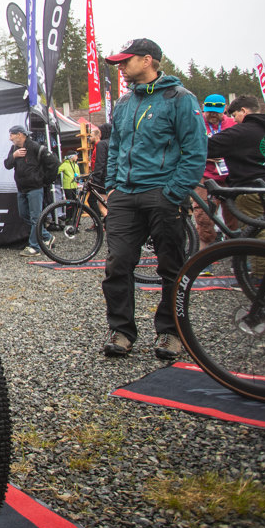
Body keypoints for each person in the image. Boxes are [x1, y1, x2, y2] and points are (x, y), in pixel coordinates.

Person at [100, 39, 206, 360]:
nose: (121, 67)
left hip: (162, 194)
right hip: (124, 195)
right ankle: (121, 330)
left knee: (171, 266)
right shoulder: (124, 102)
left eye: (126, 61)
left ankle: (171, 332)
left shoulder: (180, 99)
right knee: (117, 263)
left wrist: (173, 193)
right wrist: (112, 187)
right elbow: (115, 147)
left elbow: (195, 152)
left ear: (147, 60)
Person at [206, 95, 265, 275]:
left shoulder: (240, 132)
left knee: (258, 234)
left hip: (252, 189)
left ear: (244, 111)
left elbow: (206, 147)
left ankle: (263, 279)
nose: (234, 120)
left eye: (235, 115)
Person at [192, 94, 238, 248]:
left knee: (234, 216)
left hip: (229, 177)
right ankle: (206, 254)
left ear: (224, 109)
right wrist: (206, 157)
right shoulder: (196, 123)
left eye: (216, 112)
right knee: (203, 217)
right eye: (209, 112)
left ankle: (236, 251)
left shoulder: (232, 124)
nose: (212, 115)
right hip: (204, 176)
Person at [4, 126, 55, 256]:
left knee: (35, 218)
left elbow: (54, 164)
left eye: (11, 135)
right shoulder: (14, 149)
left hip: (35, 189)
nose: (10, 138)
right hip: (22, 189)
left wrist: (44, 181)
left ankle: (34, 247)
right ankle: (47, 237)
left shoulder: (35, 147)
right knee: (24, 215)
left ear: (20, 134)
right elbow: (7, 165)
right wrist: (14, 156)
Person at [85, 123, 111, 217]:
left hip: (103, 179)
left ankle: (105, 224)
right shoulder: (114, 143)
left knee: (102, 206)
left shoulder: (102, 144)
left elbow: (100, 164)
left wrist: (95, 180)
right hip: (115, 177)